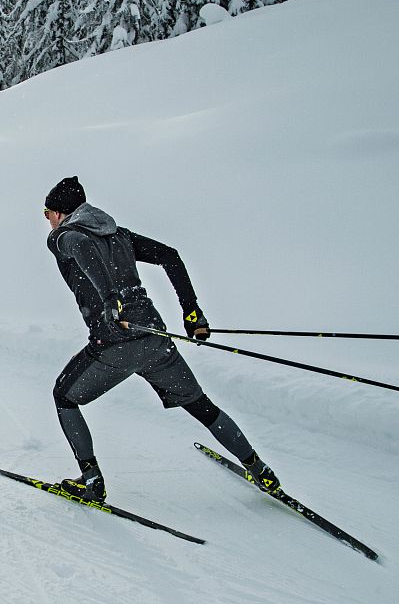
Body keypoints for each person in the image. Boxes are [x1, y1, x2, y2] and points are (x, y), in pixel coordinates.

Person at [42, 176, 278, 502]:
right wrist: (191, 313)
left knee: (64, 396)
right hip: (155, 338)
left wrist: (111, 300)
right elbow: (170, 255)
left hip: (115, 343)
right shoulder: (120, 235)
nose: (47, 221)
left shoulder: (63, 236)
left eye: (47, 213)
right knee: (201, 406)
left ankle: (91, 480)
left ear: (59, 213)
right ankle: (259, 469)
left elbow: (81, 248)